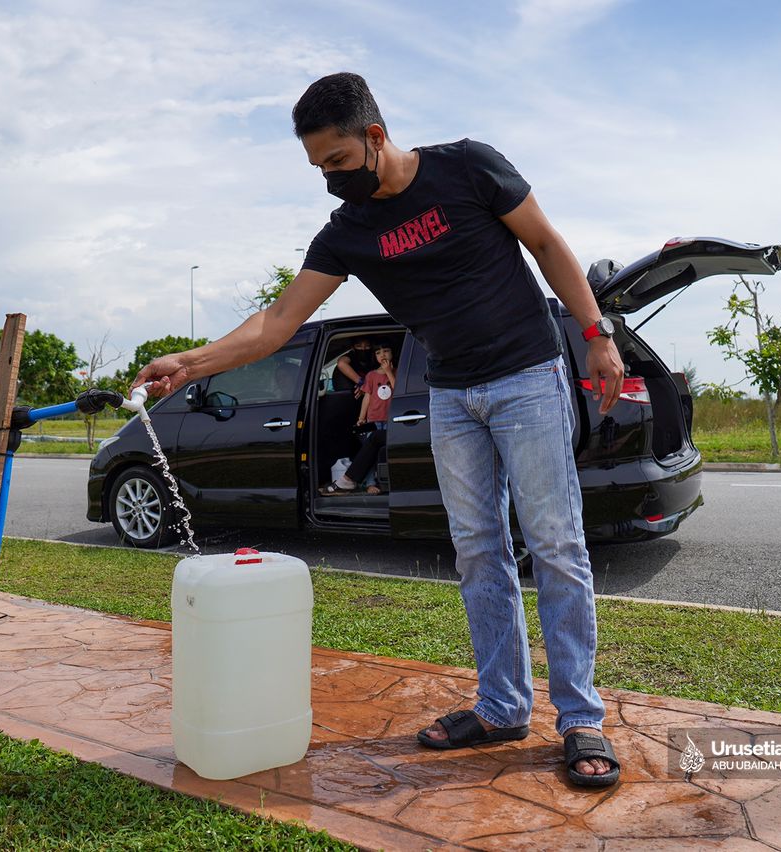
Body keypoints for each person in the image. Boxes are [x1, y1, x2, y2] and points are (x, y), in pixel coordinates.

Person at [133, 72, 625, 788]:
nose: (331, 180)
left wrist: (597, 334)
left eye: (337, 161)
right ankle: (501, 706)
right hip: (451, 393)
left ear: (374, 135)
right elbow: (277, 323)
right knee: (478, 551)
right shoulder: (348, 233)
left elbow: (547, 245)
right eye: (318, 169)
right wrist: (191, 362)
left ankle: (580, 717)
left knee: (555, 545)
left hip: (527, 375)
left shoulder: (468, 166)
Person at [319, 344, 397, 496]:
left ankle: (383, 481)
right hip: (373, 420)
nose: (383, 355)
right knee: (368, 453)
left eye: (386, 351)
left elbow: (397, 389)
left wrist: (388, 372)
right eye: (378, 352)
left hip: (390, 419)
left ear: (393, 353)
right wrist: (361, 418)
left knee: (384, 452)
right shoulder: (371, 376)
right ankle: (370, 483)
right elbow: (367, 397)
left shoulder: (397, 372)